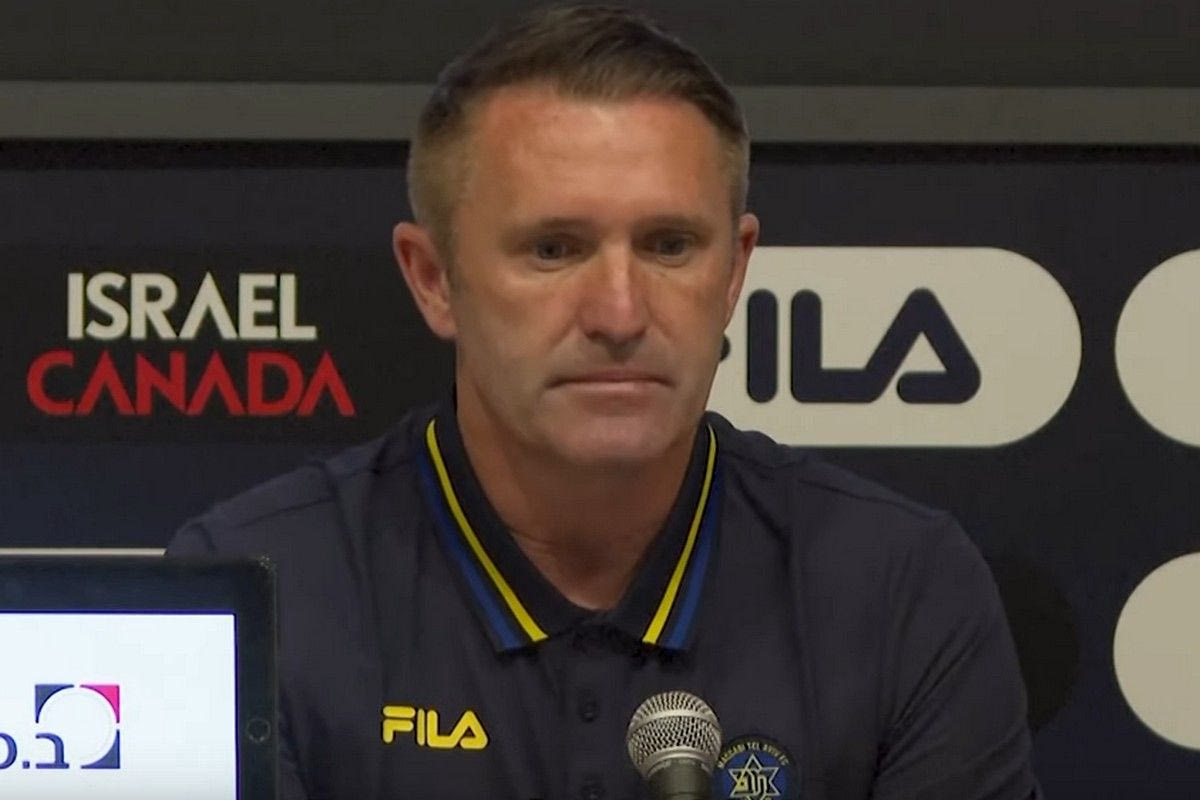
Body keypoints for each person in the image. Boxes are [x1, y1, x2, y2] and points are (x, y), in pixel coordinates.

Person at [169, 5, 1041, 799]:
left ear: (734, 271)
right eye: (553, 249)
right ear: (433, 278)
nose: (620, 315)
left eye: (669, 246)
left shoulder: (899, 591)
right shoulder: (254, 591)